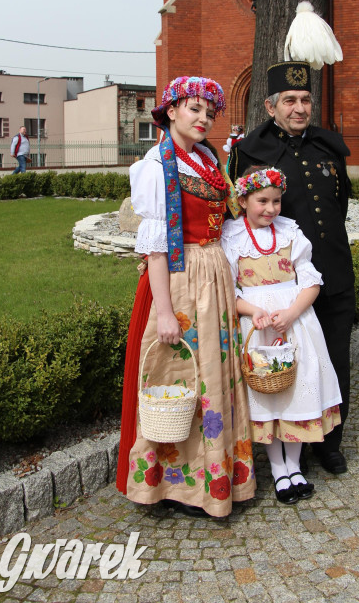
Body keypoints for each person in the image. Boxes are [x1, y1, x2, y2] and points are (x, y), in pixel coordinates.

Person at [116, 76, 255, 518]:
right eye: (194, 109)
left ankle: (211, 474)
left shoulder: (207, 158)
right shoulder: (158, 165)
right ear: (171, 111)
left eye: (209, 113)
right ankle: (176, 485)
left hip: (212, 275)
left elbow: (228, 219)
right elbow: (154, 247)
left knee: (213, 377)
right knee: (181, 379)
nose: (203, 119)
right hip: (179, 280)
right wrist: (163, 313)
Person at [229, 2, 353, 477]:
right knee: (281, 361)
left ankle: (330, 441)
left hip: (333, 273)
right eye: (289, 101)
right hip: (279, 285)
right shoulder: (251, 151)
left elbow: (340, 205)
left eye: (304, 99)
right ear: (271, 106)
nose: (299, 108)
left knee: (333, 358)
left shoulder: (329, 146)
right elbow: (241, 218)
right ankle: (282, 450)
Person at [221, 166, 342, 505]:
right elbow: (228, 290)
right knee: (267, 393)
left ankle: (294, 464)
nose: (271, 209)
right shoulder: (232, 237)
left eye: (276, 201)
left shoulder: (290, 233)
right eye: (262, 201)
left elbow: (311, 280)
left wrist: (291, 313)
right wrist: (252, 312)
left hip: (295, 320)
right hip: (257, 327)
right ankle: (277, 468)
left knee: (296, 388)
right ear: (243, 199)